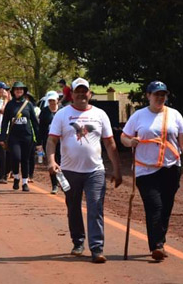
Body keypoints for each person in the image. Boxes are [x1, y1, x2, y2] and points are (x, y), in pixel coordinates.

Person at [46, 77, 122, 264]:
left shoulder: (100, 114)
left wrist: (117, 169)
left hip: (95, 171)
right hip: (69, 171)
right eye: (77, 91)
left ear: (89, 93)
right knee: (73, 207)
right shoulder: (62, 115)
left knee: (95, 206)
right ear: (71, 94)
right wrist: (51, 161)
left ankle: (97, 248)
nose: (81, 94)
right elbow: (51, 141)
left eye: (84, 91)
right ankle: (78, 241)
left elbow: (110, 143)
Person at [120, 81, 183, 261]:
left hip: (170, 168)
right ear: (148, 96)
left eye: (163, 95)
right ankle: (157, 246)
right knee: (155, 206)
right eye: (156, 94)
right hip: (145, 170)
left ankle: (159, 240)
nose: (160, 98)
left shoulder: (174, 115)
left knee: (166, 208)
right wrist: (130, 142)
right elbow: (123, 136)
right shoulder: (139, 116)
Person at [0, 81, 42, 192]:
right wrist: (2, 137)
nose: (19, 91)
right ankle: (16, 177)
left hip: (27, 136)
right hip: (14, 137)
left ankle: (24, 182)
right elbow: (5, 122)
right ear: (13, 91)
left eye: (21, 89)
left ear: (24, 91)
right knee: (16, 157)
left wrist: (38, 140)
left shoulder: (28, 105)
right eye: (17, 89)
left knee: (25, 159)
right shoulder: (10, 105)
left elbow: (34, 122)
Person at [38, 91, 62, 194]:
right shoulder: (44, 112)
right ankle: (54, 185)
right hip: (49, 141)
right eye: (50, 100)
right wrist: (39, 144)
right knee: (52, 162)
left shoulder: (62, 111)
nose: (52, 102)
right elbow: (41, 128)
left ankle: (62, 181)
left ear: (58, 100)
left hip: (62, 141)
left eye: (53, 100)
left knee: (62, 162)